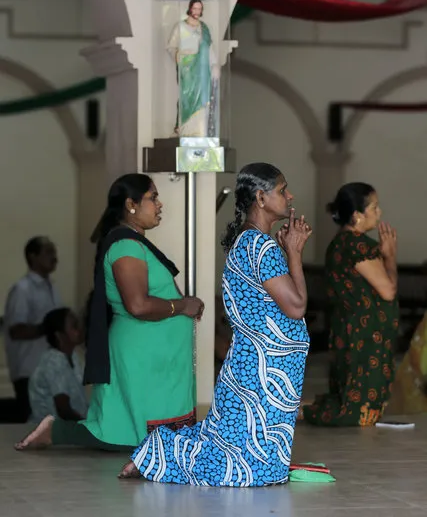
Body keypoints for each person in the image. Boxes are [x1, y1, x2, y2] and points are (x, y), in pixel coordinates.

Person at [120, 162, 312, 486]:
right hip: (260, 371)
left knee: (261, 465)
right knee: (240, 466)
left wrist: (288, 252)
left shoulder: (256, 243)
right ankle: (159, 453)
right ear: (261, 199)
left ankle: (160, 454)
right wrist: (294, 252)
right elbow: (296, 307)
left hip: (268, 370)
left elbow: (285, 302)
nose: (290, 196)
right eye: (282, 190)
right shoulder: (258, 245)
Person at [15, 173, 204, 451]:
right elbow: (137, 305)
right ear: (131, 204)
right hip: (141, 355)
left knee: (133, 434)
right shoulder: (126, 246)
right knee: (130, 435)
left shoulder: (134, 244)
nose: (159, 205)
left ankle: (58, 432)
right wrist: (182, 306)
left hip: (154, 360)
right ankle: (58, 430)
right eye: (153, 198)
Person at [303, 183, 399, 427]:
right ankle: (302, 412)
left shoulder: (340, 244)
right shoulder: (357, 245)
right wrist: (389, 257)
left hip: (351, 331)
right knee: (359, 410)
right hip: (364, 338)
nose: (379, 212)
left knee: (354, 399)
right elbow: (388, 291)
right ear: (357, 215)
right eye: (374, 207)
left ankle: (302, 411)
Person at [2, 237, 60, 423]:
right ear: (32, 257)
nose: (55, 258)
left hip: (48, 369)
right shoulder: (22, 290)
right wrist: (49, 328)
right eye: (49, 252)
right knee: (28, 421)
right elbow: (16, 331)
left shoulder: (51, 288)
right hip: (28, 369)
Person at [167, 0, 219, 137]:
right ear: (190, 9)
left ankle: (199, 129)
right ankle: (184, 128)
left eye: (199, 9)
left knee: (203, 98)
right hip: (187, 69)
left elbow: (209, 48)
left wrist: (214, 64)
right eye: (195, 8)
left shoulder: (204, 28)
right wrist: (181, 57)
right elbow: (171, 47)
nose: (197, 11)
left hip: (202, 71)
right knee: (186, 98)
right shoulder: (180, 27)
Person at [29, 307, 87, 423]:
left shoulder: (74, 356)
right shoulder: (53, 361)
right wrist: (88, 426)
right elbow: (63, 410)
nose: (80, 329)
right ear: (60, 336)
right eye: (74, 326)